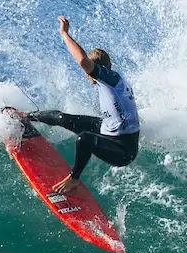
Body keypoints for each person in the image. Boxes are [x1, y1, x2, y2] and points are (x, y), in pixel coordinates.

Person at [10, 17, 140, 194]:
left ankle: (74, 179)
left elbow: (82, 61)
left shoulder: (106, 79)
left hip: (123, 150)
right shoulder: (113, 77)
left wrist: (64, 34)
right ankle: (27, 116)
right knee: (63, 118)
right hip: (109, 129)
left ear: (93, 72)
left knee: (85, 138)